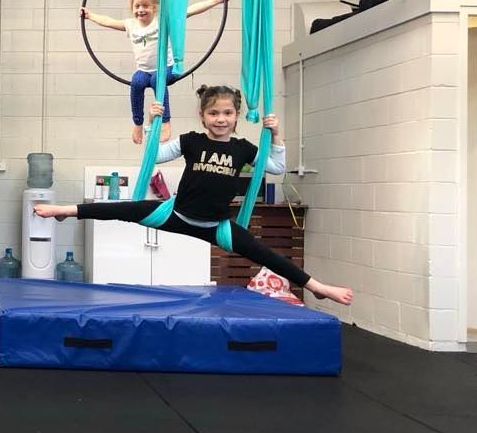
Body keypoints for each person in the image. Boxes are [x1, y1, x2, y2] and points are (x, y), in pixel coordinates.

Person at [34, 84, 354, 306]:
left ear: (236, 117)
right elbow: (154, 156)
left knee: (266, 254)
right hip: (176, 214)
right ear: (203, 116)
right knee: (123, 208)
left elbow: (276, 166)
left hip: (217, 226)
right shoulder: (191, 141)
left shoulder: (242, 149)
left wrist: (276, 134)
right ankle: (66, 210)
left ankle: (317, 287)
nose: (221, 119)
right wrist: (151, 123)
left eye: (227, 113)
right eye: (214, 113)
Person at [80, 0, 229, 144]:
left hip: (167, 68)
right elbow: (108, 21)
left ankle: (165, 121)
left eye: (145, 6)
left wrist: (216, 0)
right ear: (132, 8)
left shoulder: (162, 22)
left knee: (157, 79)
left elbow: (188, 11)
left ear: (154, 8)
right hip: (144, 71)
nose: (140, 10)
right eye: (137, 6)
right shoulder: (131, 25)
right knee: (137, 82)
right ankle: (137, 123)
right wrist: (90, 15)